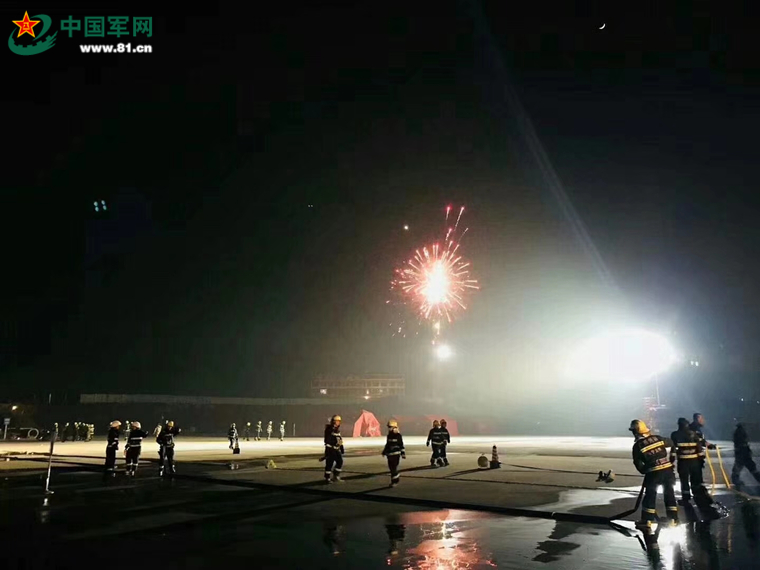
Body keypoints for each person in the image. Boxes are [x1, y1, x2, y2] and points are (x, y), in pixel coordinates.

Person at [630, 419, 679, 528]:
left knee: (650, 496)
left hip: (653, 473)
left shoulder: (637, 446)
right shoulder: (658, 438)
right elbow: (671, 443)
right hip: (668, 471)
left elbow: (638, 464)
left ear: (636, 432)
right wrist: (672, 458)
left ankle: (647, 520)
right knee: (669, 494)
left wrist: (645, 470)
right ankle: (673, 519)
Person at [670, 417, 714, 507]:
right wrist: (701, 459)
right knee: (696, 480)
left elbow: (673, 450)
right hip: (695, 462)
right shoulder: (694, 434)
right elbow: (699, 447)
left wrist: (671, 461)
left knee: (684, 481)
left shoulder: (675, 435)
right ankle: (698, 496)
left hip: (683, 462)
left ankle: (686, 498)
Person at [732, 422, 760, 487]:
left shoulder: (738, 432)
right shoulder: (740, 432)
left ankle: (736, 480)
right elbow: (742, 443)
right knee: (751, 468)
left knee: (738, 468)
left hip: (741, 453)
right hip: (743, 453)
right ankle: (736, 481)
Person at [382, 420, 405, 487]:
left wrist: (403, 453)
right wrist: (384, 451)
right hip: (389, 455)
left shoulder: (398, 435)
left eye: (390, 427)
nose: (389, 428)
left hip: (396, 454)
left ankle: (395, 481)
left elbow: (401, 444)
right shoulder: (389, 435)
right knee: (391, 468)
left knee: (393, 468)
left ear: (395, 427)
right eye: (389, 427)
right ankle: (396, 476)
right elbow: (387, 444)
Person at [324, 415, 345, 483]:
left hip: (336, 449)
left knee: (340, 462)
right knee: (329, 463)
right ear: (333, 421)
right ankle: (327, 478)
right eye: (337, 421)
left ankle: (336, 476)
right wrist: (328, 450)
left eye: (339, 421)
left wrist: (341, 448)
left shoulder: (337, 430)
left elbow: (339, 440)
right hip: (330, 449)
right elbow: (327, 440)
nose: (338, 422)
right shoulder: (329, 429)